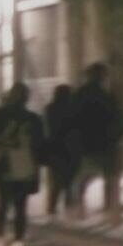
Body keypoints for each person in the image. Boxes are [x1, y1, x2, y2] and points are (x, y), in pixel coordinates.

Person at [0, 83, 46, 246]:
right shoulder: (33, 119)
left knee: (1, 205)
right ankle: (17, 244)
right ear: (26, 99)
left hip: (3, 167)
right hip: (25, 169)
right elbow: (40, 147)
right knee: (20, 208)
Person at [70, 62, 123, 215]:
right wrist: (118, 135)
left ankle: (81, 205)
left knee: (85, 175)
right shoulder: (106, 96)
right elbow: (117, 117)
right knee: (109, 175)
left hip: (86, 142)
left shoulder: (80, 95)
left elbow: (73, 119)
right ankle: (108, 207)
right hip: (105, 142)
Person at [43, 84, 79, 220]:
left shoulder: (50, 109)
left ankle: (52, 207)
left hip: (54, 148)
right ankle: (68, 206)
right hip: (70, 147)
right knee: (69, 179)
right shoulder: (72, 109)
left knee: (56, 180)